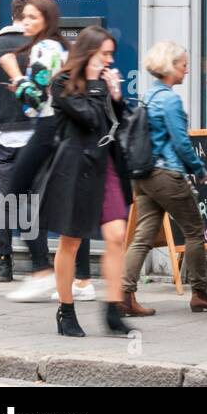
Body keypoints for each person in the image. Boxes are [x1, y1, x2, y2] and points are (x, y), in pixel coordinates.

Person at [120, 42, 207, 317]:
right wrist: (200, 169)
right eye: (183, 64)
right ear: (171, 66)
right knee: (194, 231)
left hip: (143, 175)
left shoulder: (150, 95)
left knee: (143, 235)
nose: (187, 69)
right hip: (166, 173)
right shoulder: (169, 99)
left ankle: (125, 295)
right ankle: (201, 294)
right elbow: (181, 142)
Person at [0, 0, 94, 305]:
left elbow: (37, 100)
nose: (25, 23)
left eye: (32, 18)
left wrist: (13, 72)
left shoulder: (45, 49)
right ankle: (81, 279)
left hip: (47, 129)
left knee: (15, 192)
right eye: (23, 17)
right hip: (59, 130)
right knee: (66, 200)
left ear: (47, 21)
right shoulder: (58, 48)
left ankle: (42, 271)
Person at [41, 27, 134, 338]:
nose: (109, 60)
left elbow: (114, 122)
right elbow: (90, 118)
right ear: (88, 52)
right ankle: (66, 310)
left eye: (111, 54)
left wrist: (117, 96)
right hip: (76, 167)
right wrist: (98, 85)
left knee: (117, 235)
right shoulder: (62, 82)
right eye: (103, 54)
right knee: (71, 241)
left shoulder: (102, 84)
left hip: (105, 165)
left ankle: (112, 307)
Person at [0, 0, 49, 284]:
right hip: (35, 136)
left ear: (11, 15)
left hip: (4, 136)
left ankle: (4, 263)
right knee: (37, 201)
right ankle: (39, 263)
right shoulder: (38, 48)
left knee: (4, 200)